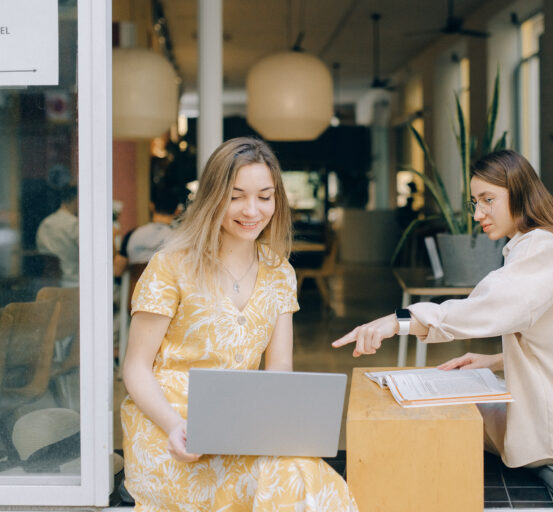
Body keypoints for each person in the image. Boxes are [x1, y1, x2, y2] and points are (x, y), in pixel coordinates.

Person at [333, 149, 553, 470]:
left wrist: (397, 321)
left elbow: (483, 309)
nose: (478, 213)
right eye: (475, 203)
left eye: (488, 200)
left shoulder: (543, 250)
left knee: (433, 414)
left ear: (521, 193)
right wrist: (495, 360)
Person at [121, 137, 358, 511]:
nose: (252, 210)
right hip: (168, 430)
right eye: (236, 196)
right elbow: (135, 368)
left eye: (264, 196)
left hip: (240, 426)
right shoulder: (170, 265)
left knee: (305, 478)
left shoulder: (280, 271)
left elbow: (279, 368)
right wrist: (173, 425)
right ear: (213, 197)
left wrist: (278, 432)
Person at [36, 184, 79, 287]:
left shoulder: (45, 223)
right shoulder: (74, 224)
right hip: (73, 283)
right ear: (76, 200)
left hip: (48, 284)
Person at [123, 190, 181, 264]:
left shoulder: (132, 235)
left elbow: (118, 270)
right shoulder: (180, 239)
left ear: (151, 206)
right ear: (177, 211)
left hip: (137, 275)